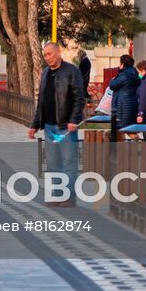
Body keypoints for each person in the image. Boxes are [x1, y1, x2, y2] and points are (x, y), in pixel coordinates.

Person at [28, 42, 85, 206]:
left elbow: (79, 98)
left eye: (50, 54)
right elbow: (41, 102)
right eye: (45, 55)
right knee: (53, 164)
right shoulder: (45, 73)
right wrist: (34, 125)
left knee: (69, 162)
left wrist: (74, 120)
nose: (47, 58)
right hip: (49, 126)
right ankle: (57, 195)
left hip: (65, 127)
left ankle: (69, 197)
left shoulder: (71, 71)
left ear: (58, 53)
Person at [108, 54, 140, 131]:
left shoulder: (124, 75)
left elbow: (112, 85)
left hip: (122, 107)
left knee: (122, 130)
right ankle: (135, 140)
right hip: (132, 105)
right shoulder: (134, 74)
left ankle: (136, 140)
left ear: (123, 64)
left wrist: (114, 78)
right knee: (130, 128)